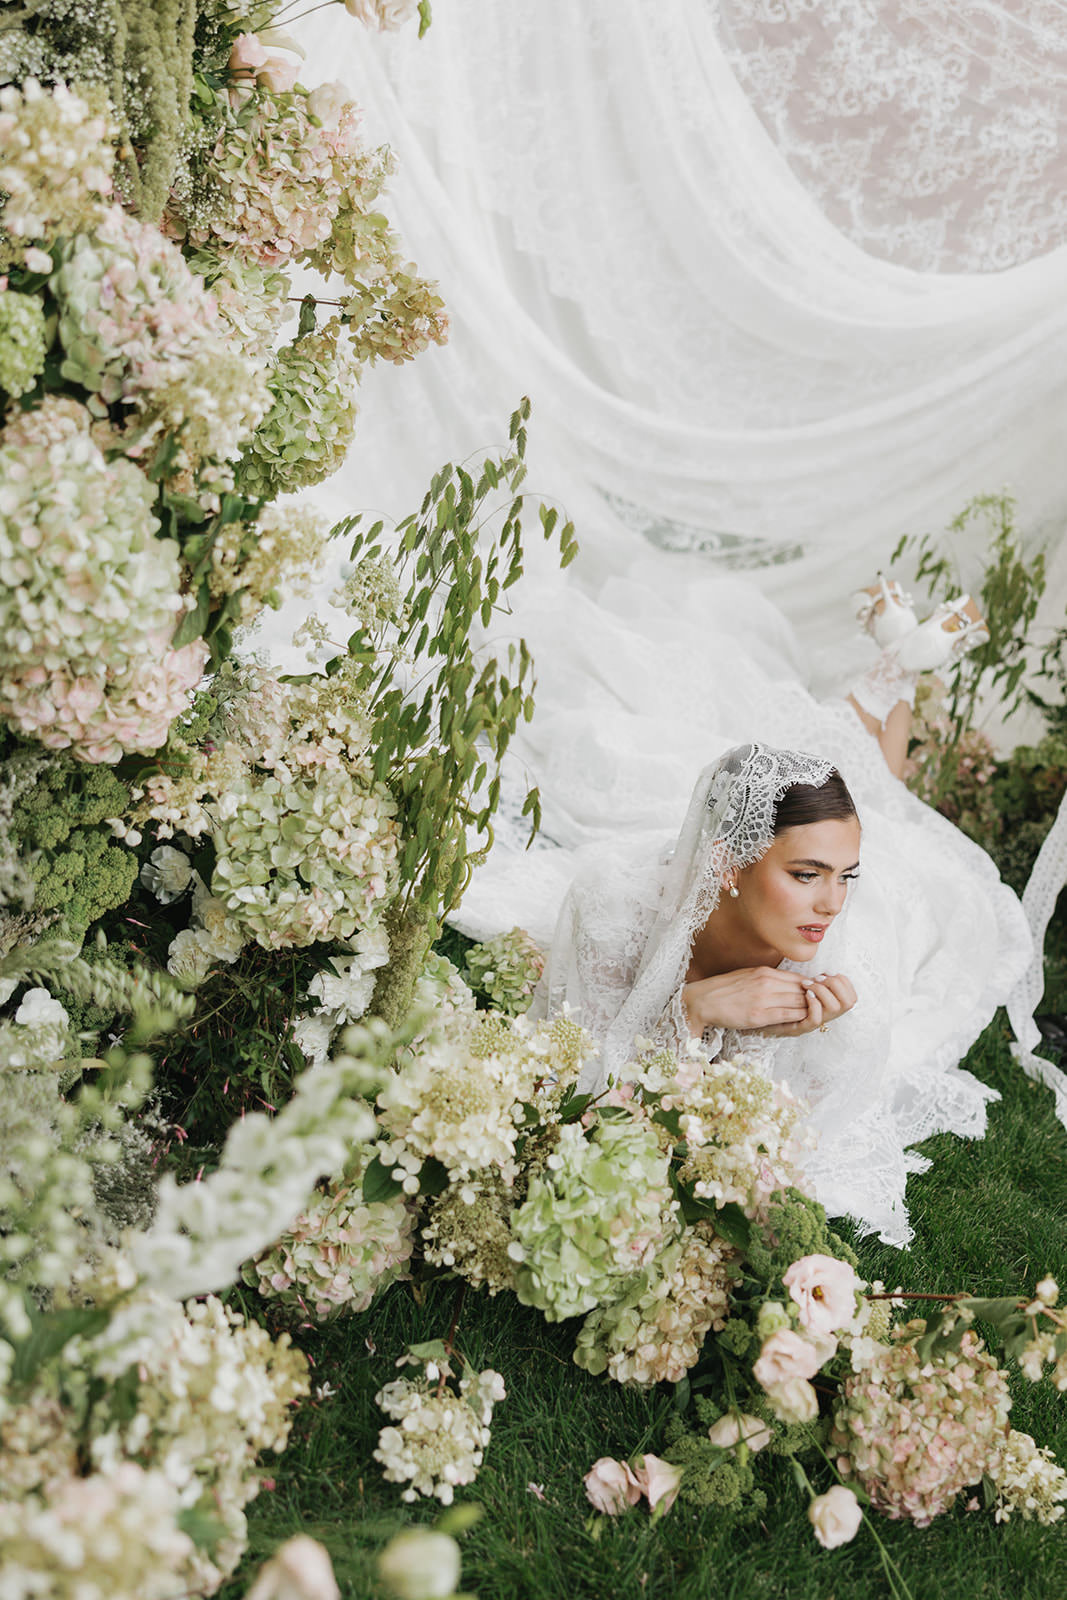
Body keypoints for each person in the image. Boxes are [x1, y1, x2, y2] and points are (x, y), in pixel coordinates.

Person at [457, 571, 1032, 1245]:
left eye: (845, 876)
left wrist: (785, 1043)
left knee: (888, 816)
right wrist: (695, 1012)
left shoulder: (841, 978)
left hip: (897, 910)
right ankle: (896, 665)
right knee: (874, 806)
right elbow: (575, 1088)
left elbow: (772, 1138)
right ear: (727, 862)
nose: (832, 905)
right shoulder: (612, 901)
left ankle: (896, 669)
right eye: (807, 875)